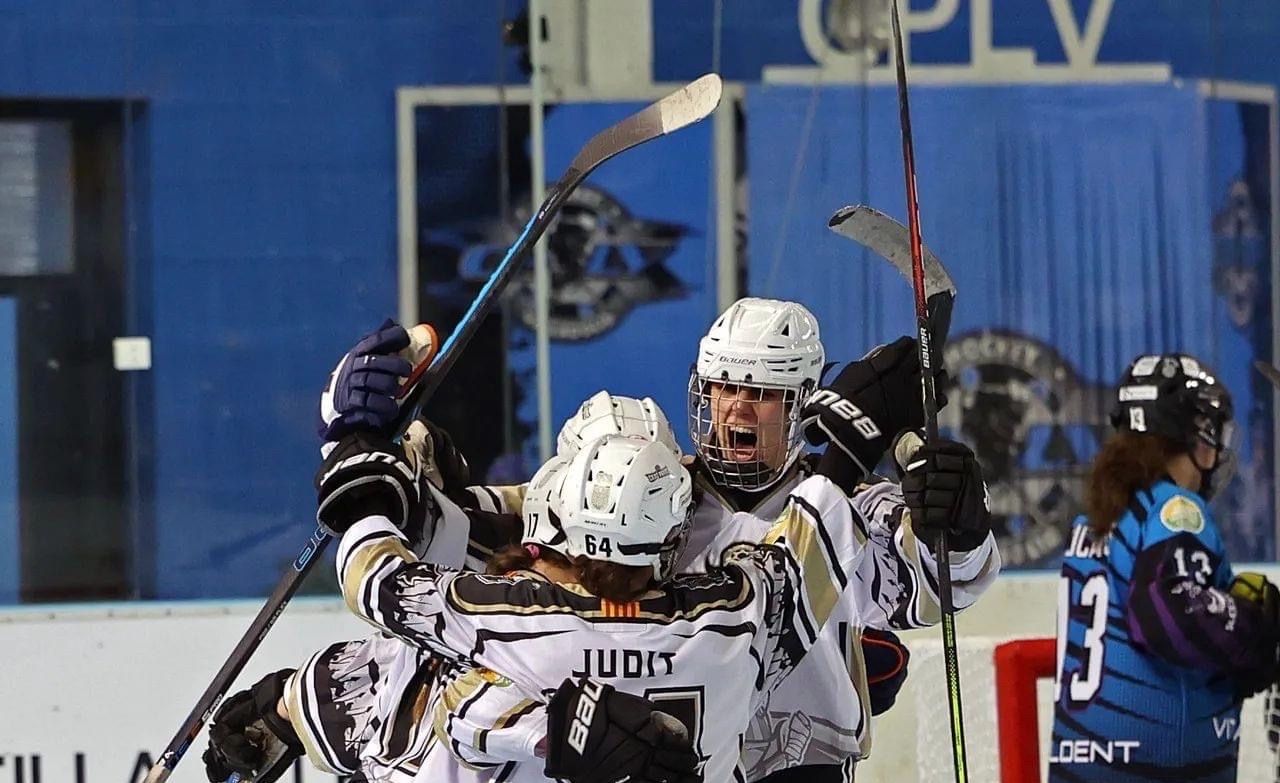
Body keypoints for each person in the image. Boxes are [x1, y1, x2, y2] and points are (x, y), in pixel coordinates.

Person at [1049, 352, 1280, 782]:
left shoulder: (1096, 522)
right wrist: (1252, 628)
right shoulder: (1174, 508)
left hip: (1079, 766)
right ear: (1193, 436)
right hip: (1157, 770)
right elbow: (1169, 608)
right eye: (1213, 434)